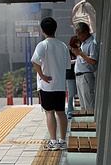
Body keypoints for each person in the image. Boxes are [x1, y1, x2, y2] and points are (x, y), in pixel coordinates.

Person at [31, 17, 71, 151]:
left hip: (46, 85)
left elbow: (35, 60)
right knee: (61, 112)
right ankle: (62, 141)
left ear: (43, 31)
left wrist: (42, 75)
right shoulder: (63, 45)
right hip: (60, 84)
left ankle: (53, 140)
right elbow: (66, 66)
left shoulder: (42, 45)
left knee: (49, 112)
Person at [70, 22, 99, 111]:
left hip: (86, 75)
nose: (78, 37)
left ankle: (91, 123)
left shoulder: (92, 43)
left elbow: (93, 61)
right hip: (79, 75)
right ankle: (86, 121)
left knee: (88, 103)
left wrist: (80, 53)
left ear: (86, 33)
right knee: (83, 104)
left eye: (79, 34)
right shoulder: (83, 43)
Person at [66, 50, 77, 119]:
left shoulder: (82, 51)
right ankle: (70, 111)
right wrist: (76, 60)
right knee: (71, 94)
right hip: (70, 76)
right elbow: (67, 62)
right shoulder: (68, 53)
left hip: (79, 75)